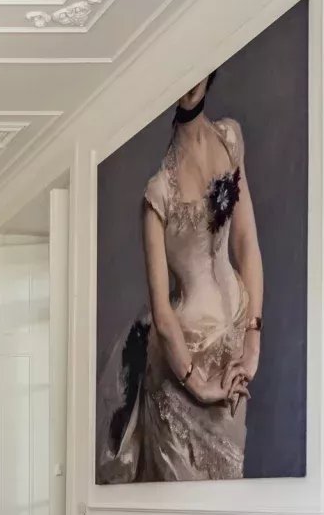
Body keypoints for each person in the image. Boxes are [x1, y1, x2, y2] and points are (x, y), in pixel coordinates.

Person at [99, 72, 265, 482]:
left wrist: (252, 341)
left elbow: (246, 242)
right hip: (184, 359)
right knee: (182, 499)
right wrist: (199, 384)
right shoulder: (158, 193)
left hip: (235, 344)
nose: (189, 81)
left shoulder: (230, 139)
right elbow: (162, 313)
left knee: (228, 492)